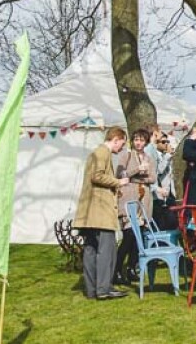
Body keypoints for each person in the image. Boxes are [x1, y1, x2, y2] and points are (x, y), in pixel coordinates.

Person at [73, 126, 130, 300]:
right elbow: (97, 176)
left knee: (90, 249)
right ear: (116, 139)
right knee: (107, 250)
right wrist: (117, 182)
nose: (121, 148)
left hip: (89, 212)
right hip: (101, 211)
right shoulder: (103, 153)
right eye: (122, 143)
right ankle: (104, 288)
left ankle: (91, 289)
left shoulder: (94, 153)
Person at [114, 128, 157, 285]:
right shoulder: (126, 155)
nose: (138, 143)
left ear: (146, 142)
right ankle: (117, 269)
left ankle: (132, 268)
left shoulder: (149, 158)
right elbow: (120, 174)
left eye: (141, 140)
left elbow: (152, 178)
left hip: (144, 199)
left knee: (138, 236)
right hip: (128, 198)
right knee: (129, 235)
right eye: (136, 139)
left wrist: (140, 178)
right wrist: (136, 170)